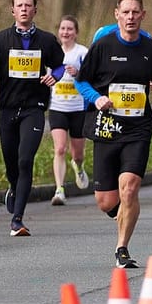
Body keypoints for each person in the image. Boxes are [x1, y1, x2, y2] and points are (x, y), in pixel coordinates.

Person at [74, 0, 152, 269]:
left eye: (135, 12)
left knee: (129, 188)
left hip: (138, 128)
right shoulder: (103, 46)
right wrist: (97, 98)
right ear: (117, 14)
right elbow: (82, 82)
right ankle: (123, 214)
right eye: (125, 12)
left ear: (143, 15)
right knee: (106, 201)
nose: (130, 17)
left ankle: (122, 248)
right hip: (107, 127)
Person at [0, 0, 65, 237]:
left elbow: (59, 67)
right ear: (12, 10)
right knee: (12, 163)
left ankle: (17, 219)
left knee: (25, 160)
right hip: (6, 109)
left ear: (35, 10)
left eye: (28, 5)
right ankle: (13, 187)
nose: (24, 9)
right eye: (20, 5)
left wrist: (53, 76)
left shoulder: (47, 40)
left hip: (33, 109)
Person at [48, 15, 91, 205]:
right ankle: (59, 190)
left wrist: (78, 73)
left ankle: (79, 167)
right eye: (63, 29)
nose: (66, 32)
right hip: (57, 107)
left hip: (78, 109)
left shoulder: (82, 52)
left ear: (76, 32)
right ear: (59, 31)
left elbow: (93, 76)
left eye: (70, 29)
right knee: (59, 148)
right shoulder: (51, 52)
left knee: (77, 153)